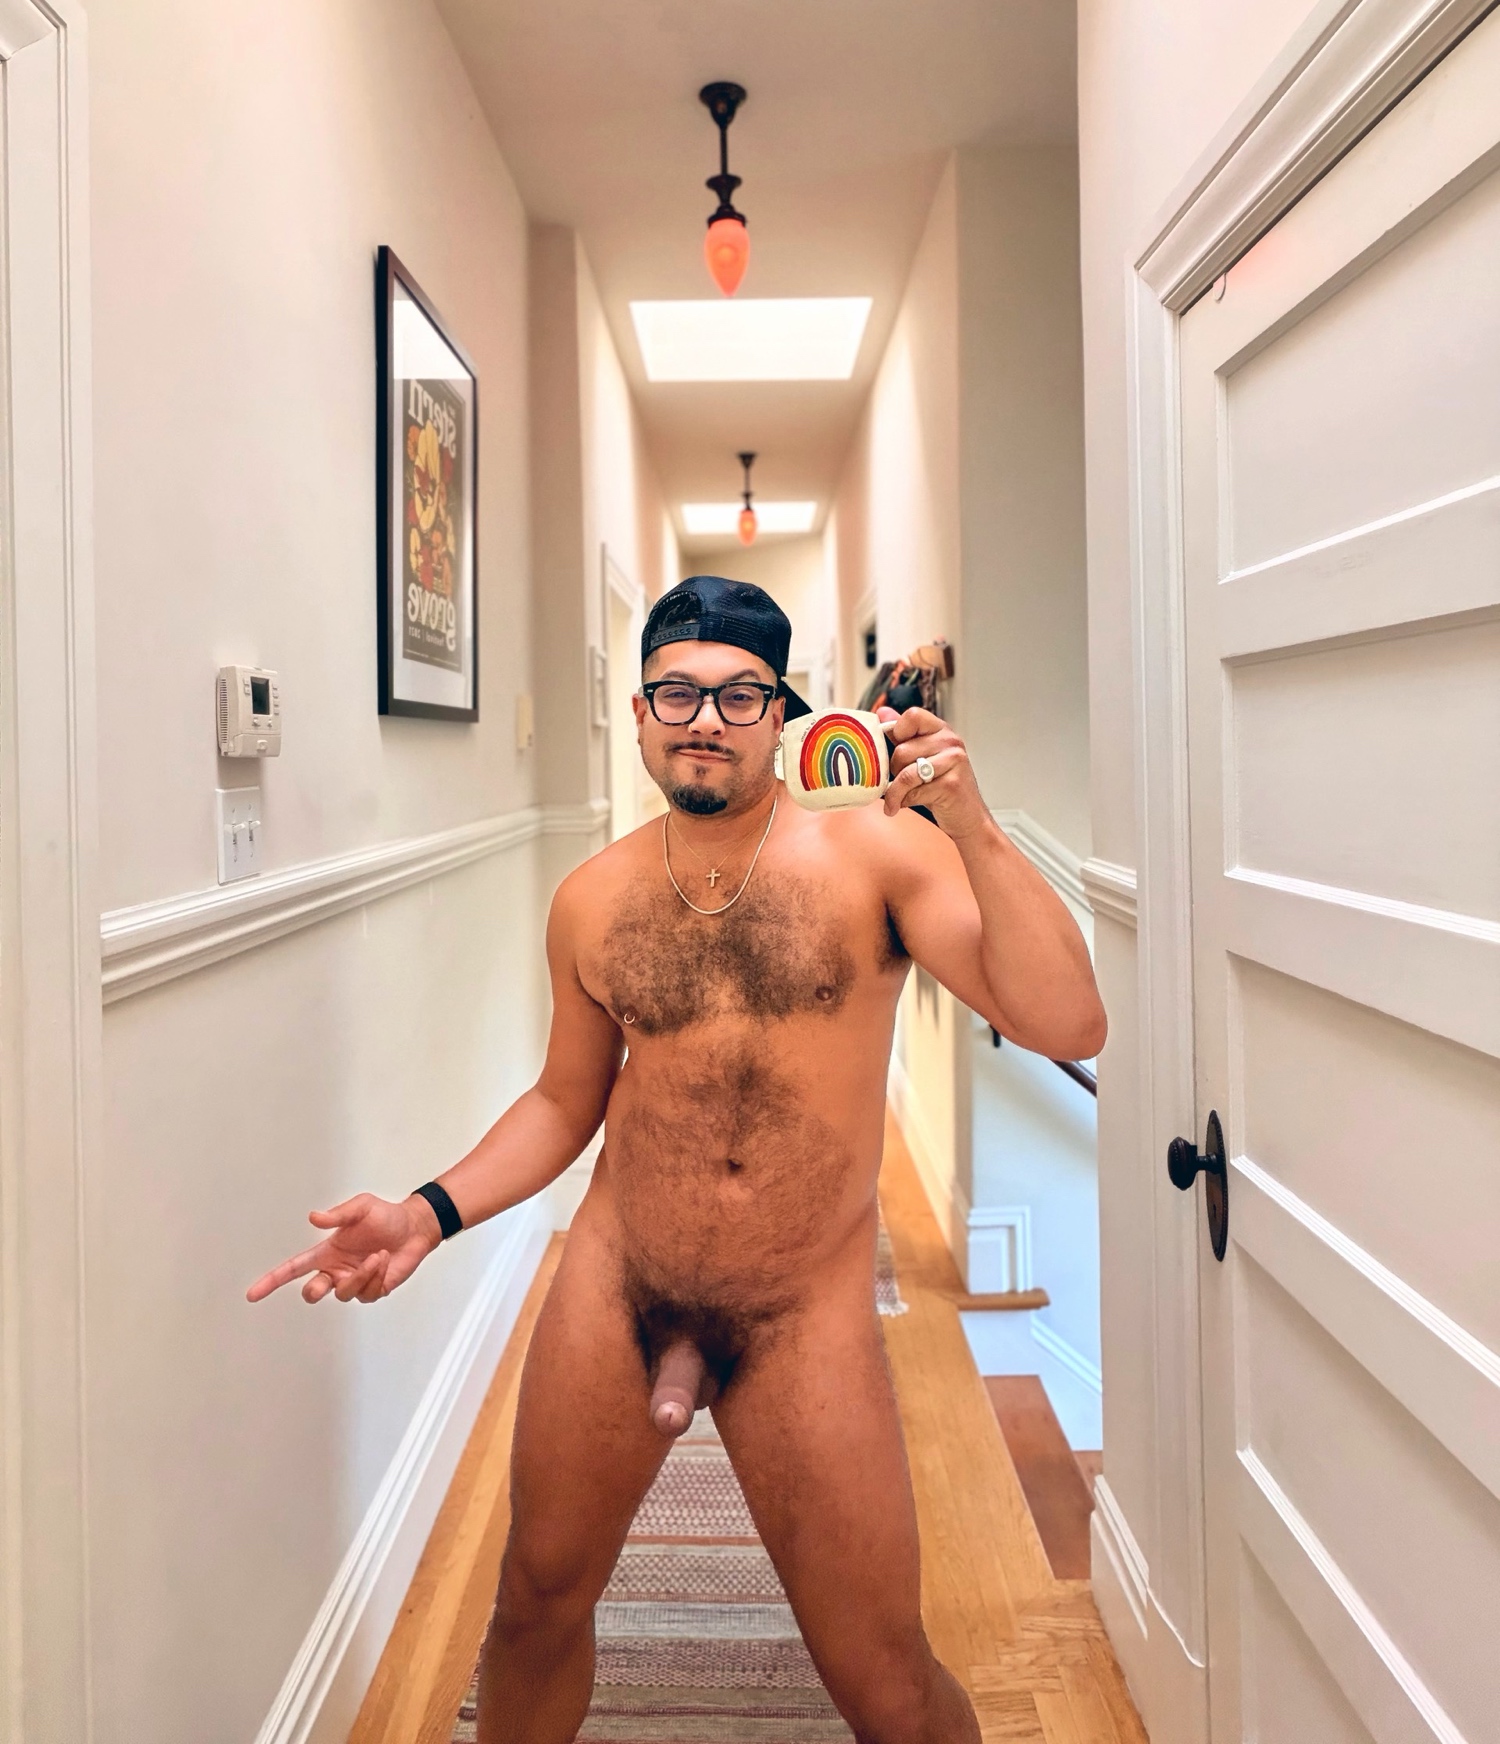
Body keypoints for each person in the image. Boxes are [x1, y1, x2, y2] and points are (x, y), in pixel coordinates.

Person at [248, 575, 1106, 1744]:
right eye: (677, 692)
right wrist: (424, 1212)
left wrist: (975, 825)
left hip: (801, 1304)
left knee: (885, 1675)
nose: (705, 717)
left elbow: (1068, 1022)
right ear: (642, 711)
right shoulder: (591, 899)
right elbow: (564, 1100)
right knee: (533, 1603)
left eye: (739, 693)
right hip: (620, 1284)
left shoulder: (879, 855)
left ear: (782, 712)